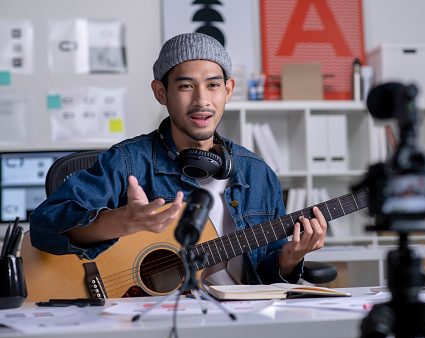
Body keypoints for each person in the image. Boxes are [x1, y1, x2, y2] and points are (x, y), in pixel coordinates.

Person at [29, 32, 327, 289]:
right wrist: (122, 221)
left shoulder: (258, 174)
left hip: (241, 318)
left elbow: (268, 278)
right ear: (161, 92)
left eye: (213, 85)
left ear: (228, 90)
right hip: (150, 317)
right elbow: (44, 227)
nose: (202, 100)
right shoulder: (127, 162)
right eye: (186, 86)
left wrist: (290, 258)